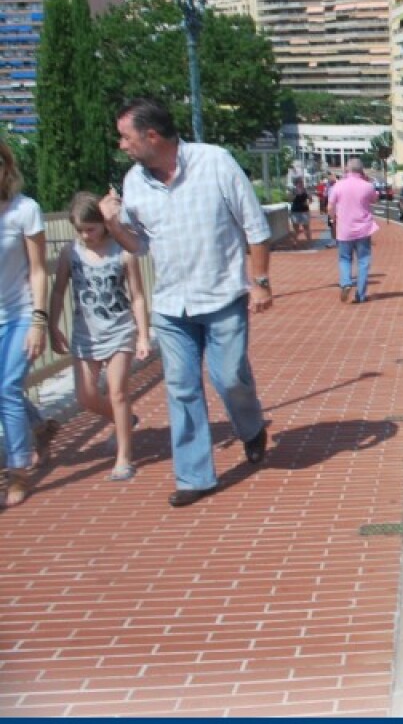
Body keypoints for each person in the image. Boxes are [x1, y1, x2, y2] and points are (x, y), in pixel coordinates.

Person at [101, 97, 273, 508]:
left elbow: (255, 225)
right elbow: (138, 246)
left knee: (229, 376)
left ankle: (250, 428)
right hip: (170, 304)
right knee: (181, 387)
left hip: (222, 294)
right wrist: (110, 223)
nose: (122, 145)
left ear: (151, 135)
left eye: (126, 137)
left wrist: (261, 281)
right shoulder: (134, 182)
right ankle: (195, 476)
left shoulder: (215, 162)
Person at [49, 192, 152, 482]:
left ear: (104, 224)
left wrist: (143, 335)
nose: (85, 235)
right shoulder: (71, 253)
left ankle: (124, 455)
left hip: (119, 330)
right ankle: (124, 421)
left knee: (118, 391)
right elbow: (58, 290)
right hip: (85, 335)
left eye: (90, 229)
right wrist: (53, 325)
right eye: (80, 230)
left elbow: (138, 297)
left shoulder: (123, 252)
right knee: (86, 395)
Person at [0, 140, 48, 507]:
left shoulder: (24, 210)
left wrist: (39, 321)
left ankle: (17, 471)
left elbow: (38, 270)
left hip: (19, 314)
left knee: (7, 388)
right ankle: (39, 425)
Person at [327, 157, 378, 304]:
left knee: (344, 259)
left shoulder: (338, 186)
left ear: (346, 170)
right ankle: (361, 295)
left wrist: (332, 219)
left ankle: (346, 282)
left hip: (344, 229)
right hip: (363, 229)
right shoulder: (367, 186)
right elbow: (374, 200)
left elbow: (330, 207)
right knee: (363, 261)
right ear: (361, 170)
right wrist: (367, 180)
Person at [288, 177, 310, 246]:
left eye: (302, 182)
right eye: (300, 182)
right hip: (295, 211)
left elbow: (310, 199)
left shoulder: (305, 190)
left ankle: (309, 241)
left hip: (304, 210)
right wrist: (295, 194)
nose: (301, 184)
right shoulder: (293, 190)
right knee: (295, 228)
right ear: (296, 183)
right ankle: (295, 242)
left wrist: (308, 202)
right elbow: (290, 199)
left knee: (306, 227)